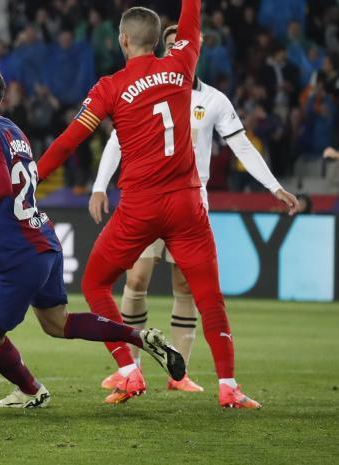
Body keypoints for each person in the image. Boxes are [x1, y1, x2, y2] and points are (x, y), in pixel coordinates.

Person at [0, 59, 184, 409]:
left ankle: (31, 390)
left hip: (19, 253)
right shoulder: (13, 132)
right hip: (43, 242)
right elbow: (1, 198)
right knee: (57, 323)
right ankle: (140, 337)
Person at [36, 0, 264, 409]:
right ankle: (229, 385)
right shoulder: (181, 63)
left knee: (95, 284)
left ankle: (129, 370)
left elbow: (69, 141)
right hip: (186, 204)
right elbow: (192, 18)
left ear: (123, 40)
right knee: (208, 296)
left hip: (140, 207)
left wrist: (33, 177)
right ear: (159, 40)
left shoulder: (109, 87)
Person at [88, 24, 299, 394]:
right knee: (136, 279)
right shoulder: (146, 90)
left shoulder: (214, 100)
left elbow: (242, 146)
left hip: (190, 203)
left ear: (194, 51)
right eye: (169, 45)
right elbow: (116, 141)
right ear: (160, 47)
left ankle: (178, 374)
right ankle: (130, 368)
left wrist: (274, 186)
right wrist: (99, 185)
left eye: (181, 45)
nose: (175, 50)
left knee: (185, 286)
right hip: (148, 198)